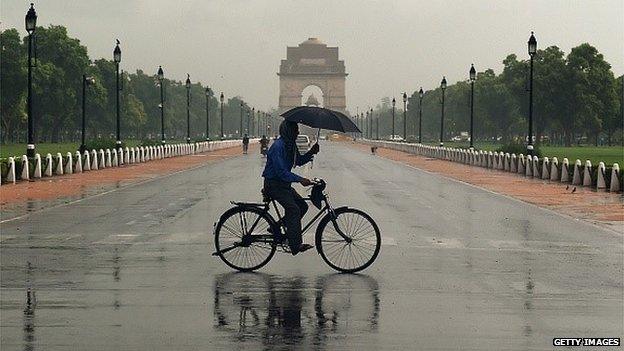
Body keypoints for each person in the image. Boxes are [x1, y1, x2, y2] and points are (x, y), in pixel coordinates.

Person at [262, 120, 320, 255]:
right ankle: (295, 245)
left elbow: (298, 161)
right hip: (274, 185)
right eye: (295, 130)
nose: (298, 132)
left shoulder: (290, 145)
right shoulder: (278, 146)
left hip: (283, 185)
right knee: (293, 209)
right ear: (288, 131)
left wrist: (311, 152)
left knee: (303, 206)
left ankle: (276, 226)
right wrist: (300, 179)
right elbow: (281, 172)